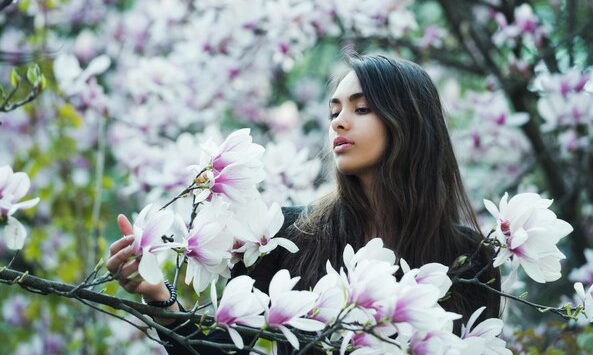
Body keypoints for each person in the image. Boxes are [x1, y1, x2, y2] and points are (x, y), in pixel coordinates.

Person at [106, 53, 501, 354]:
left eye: (361, 108)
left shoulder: (470, 257)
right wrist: (160, 298)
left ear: (409, 122)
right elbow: (222, 348)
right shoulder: (287, 238)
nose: (339, 122)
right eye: (335, 111)